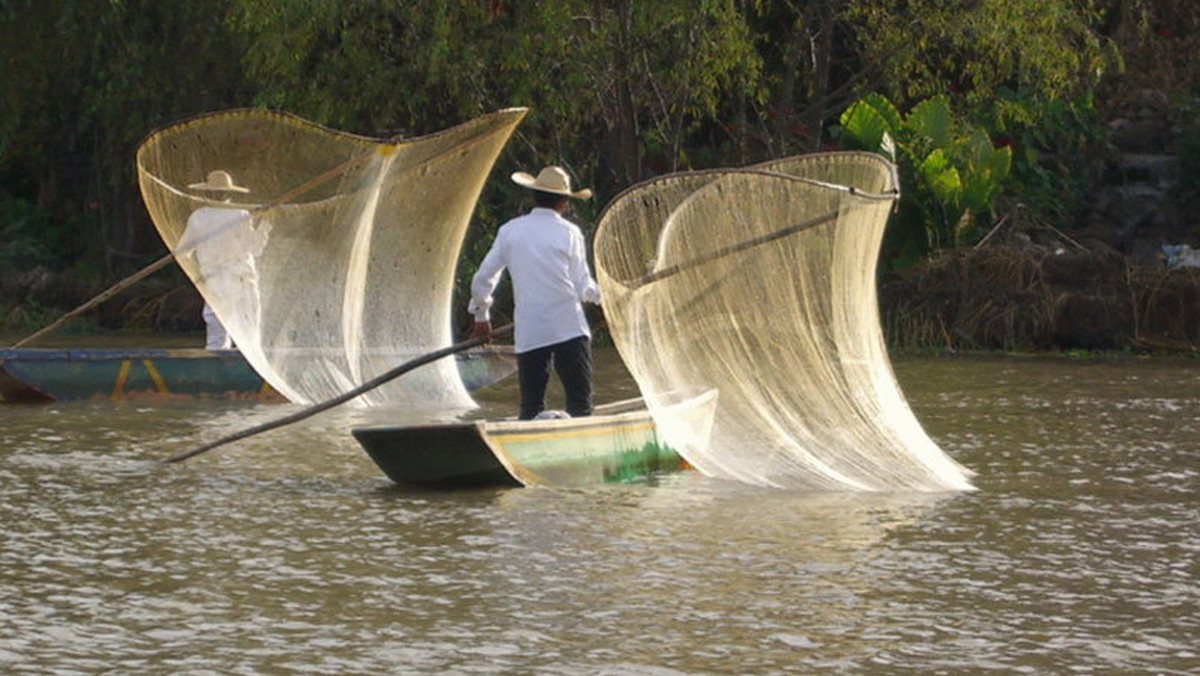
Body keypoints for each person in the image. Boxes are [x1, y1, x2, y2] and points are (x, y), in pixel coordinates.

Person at [469, 166, 601, 420]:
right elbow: (583, 285)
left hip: (531, 330)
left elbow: (483, 278)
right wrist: (603, 295)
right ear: (564, 202)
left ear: (532, 197)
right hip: (568, 328)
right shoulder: (570, 233)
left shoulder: (510, 231)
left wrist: (481, 317)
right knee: (580, 407)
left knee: (530, 410)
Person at [177, 170, 270, 351]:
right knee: (248, 333)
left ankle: (216, 366)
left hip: (217, 280)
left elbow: (183, 252)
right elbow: (255, 249)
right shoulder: (239, 215)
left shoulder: (199, 217)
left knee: (217, 338)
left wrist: (198, 272)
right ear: (228, 193)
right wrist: (263, 228)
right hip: (239, 279)